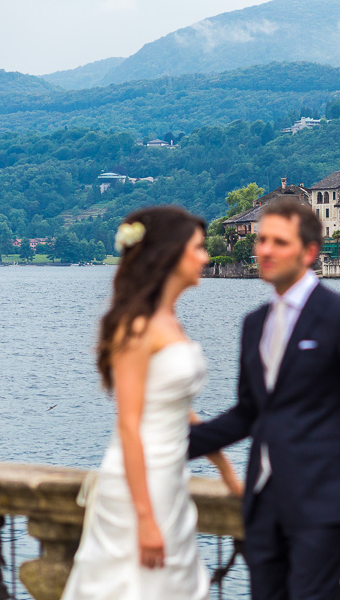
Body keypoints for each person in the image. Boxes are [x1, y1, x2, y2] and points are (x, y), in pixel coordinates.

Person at [188, 199, 340, 600]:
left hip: (323, 502)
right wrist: (173, 446)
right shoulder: (255, 324)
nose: (265, 250)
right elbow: (249, 414)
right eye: (262, 240)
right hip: (262, 501)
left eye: (278, 242)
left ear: (308, 252)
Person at [63, 207, 241, 600]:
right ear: (171, 254)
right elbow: (129, 424)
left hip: (170, 480)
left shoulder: (169, 320)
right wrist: (144, 518)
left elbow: (179, 411)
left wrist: (227, 471)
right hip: (138, 486)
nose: (206, 257)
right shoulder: (138, 326)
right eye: (198, 248)